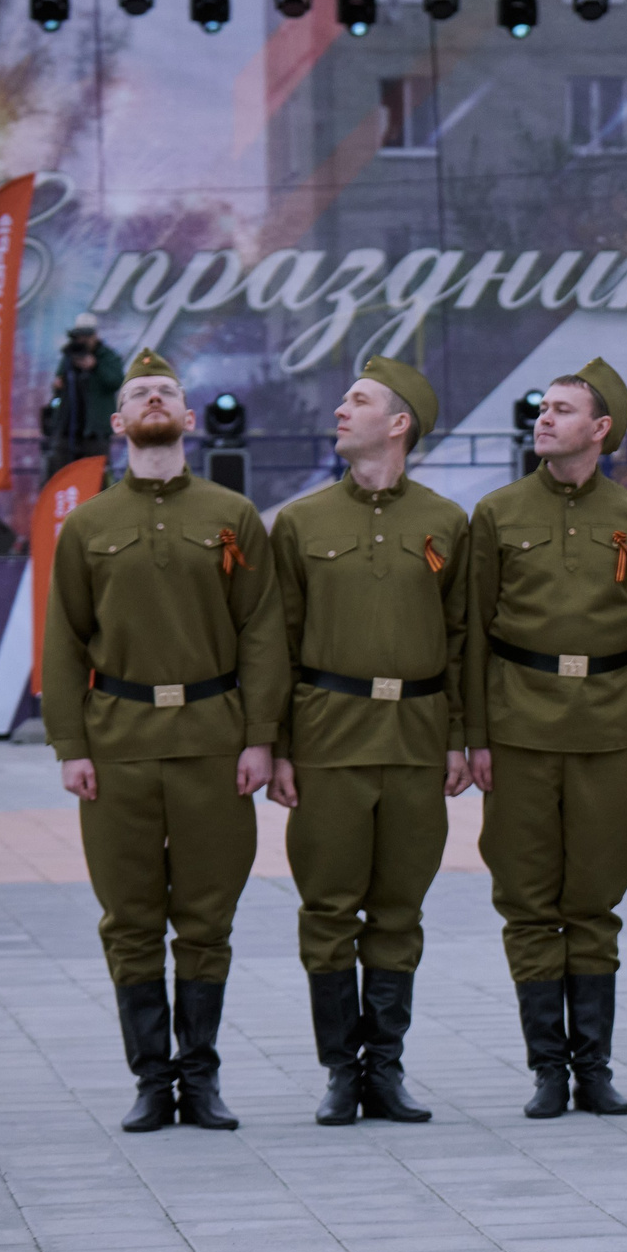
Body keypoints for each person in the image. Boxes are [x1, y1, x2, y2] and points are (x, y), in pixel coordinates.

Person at [44, 351, 287, 1133]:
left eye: (168, 392)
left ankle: (201, 1079)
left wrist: (261, 738)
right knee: (130, 915)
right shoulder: (88, 524)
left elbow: (260, 632)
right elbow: (65, 639)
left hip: (216, 740)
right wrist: (70, 745)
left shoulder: (232, 514)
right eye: (139, 392)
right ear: (119, 423)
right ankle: (152, 1080)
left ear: (187, 417)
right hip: (117, 744)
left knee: (208, 915)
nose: (154, 397)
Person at [466, 359, 627, 1120]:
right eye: (541, 408)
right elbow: (476, 635)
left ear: (601, 428)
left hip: (605, 729)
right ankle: (548, 1068)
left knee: (594, 898)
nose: (544, 419)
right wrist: (477, 736)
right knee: (525, 897)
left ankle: (596, 1068)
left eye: (562, 409)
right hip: (519, 728)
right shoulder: (498, 512)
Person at [268, 357, 464, 1127]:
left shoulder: (447, 522)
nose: (341, 409)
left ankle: (386, 1068)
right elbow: (276, 640)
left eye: (359, 400)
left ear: (400, 423)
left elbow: (460, 639)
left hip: (416, 738)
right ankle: (339, 1074)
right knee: (327, 907)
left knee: (399, 909)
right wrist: (276, 744)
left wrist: (461, 738)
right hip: (328, 738)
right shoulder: (302, 522)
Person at [46, 313, 122, 474]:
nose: (82, 341)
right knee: (62, 472)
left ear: (94, 336)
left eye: (86, 336)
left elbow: (115, 381)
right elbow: (59, 385)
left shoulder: (108, 356)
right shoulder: (69, 357)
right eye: (79, 336)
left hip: (95, 430)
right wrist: (58, 385)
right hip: (68, 427)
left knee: (96, 474)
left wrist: (95, 367)